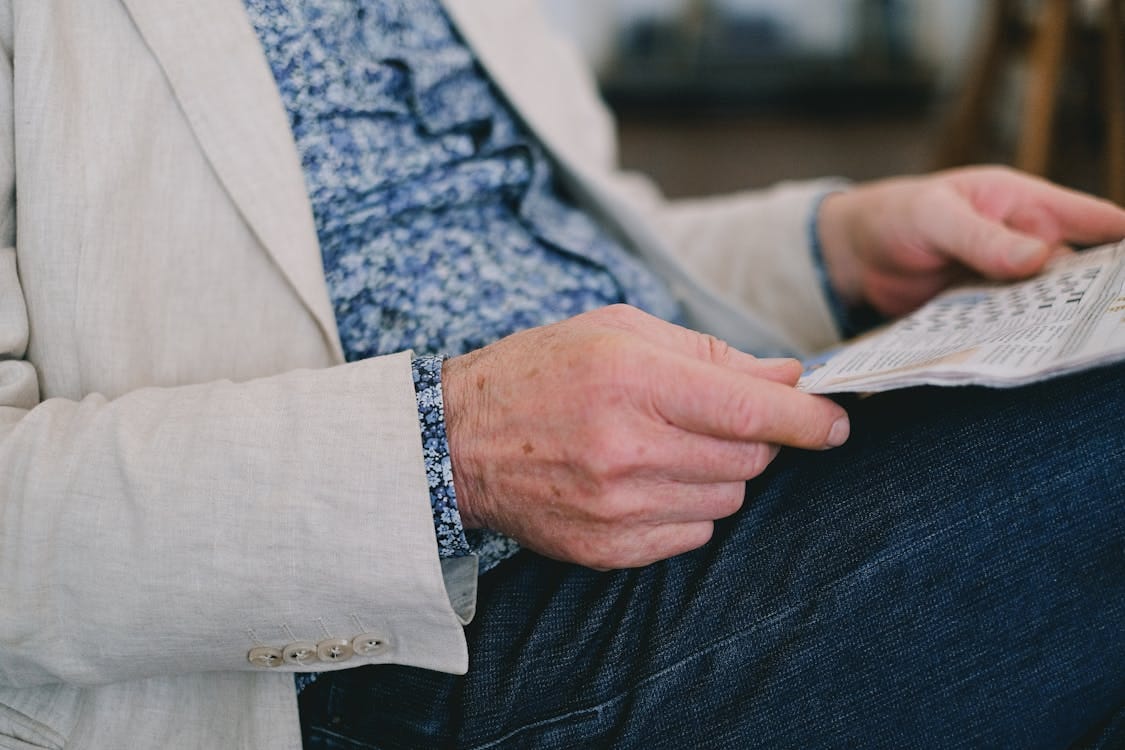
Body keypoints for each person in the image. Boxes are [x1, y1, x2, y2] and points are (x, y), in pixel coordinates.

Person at [0, 1, 1122, 748]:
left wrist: (830, 248)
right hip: (386, 639)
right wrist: (458, 453)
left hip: (683, 473)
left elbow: (555, 236)